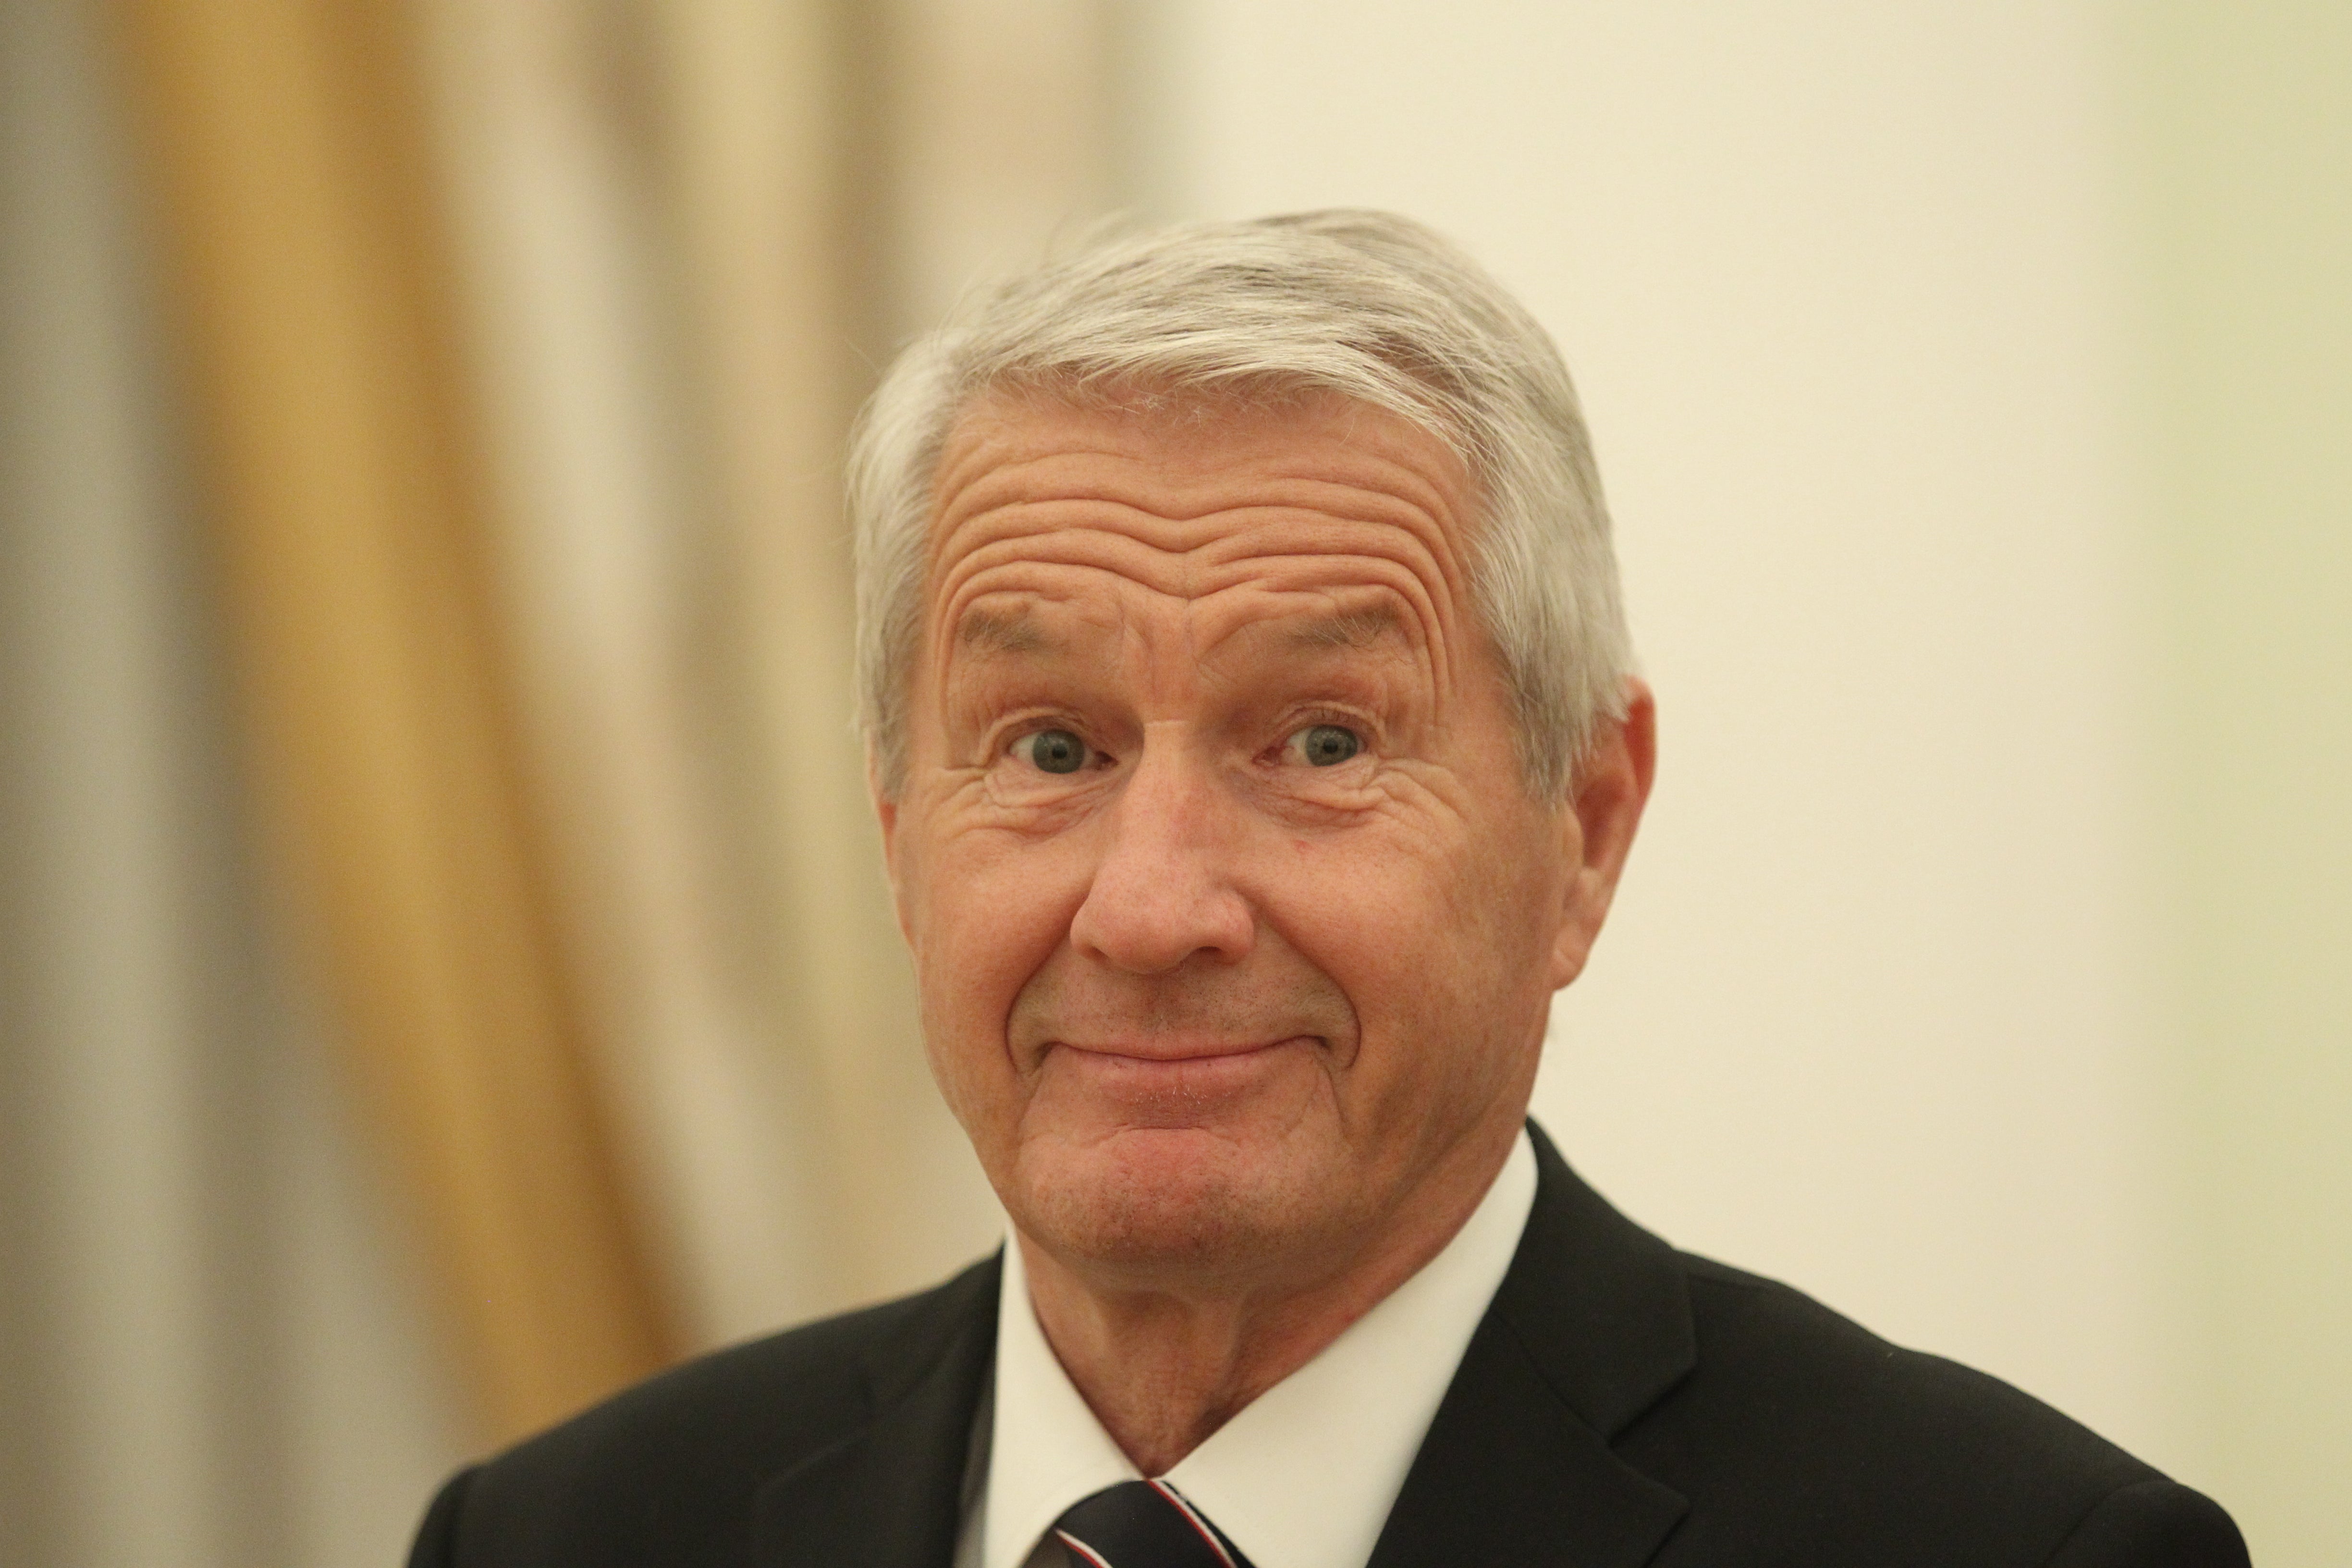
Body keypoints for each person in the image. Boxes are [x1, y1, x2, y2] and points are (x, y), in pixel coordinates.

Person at [408, 211, 2245, 1568]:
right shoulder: (561, 1538)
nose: (1153, 909)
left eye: (1322, 744)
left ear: (1584, 832)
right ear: (900, 840)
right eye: (1050, 750)